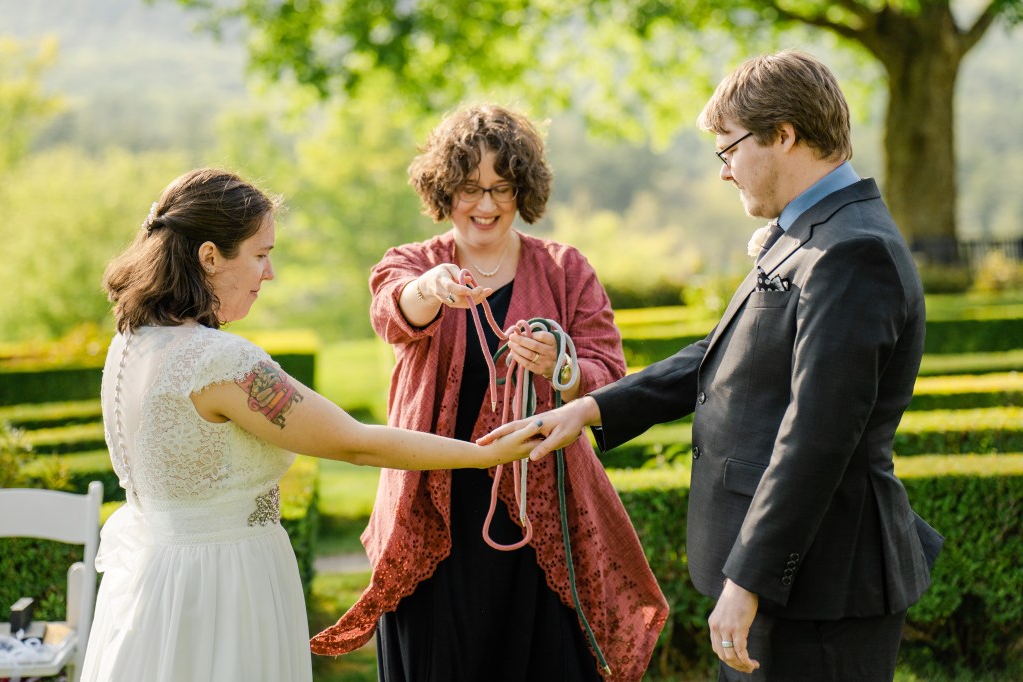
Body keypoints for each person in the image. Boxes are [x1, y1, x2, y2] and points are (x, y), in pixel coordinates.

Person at [483, 52, 943, 681]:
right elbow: (721, 354)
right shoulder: (808, 231)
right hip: (789, 580)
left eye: (728, 149)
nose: (724, 172)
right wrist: (590, 407)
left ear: (783, 134)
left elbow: (817, 437)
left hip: (817, 587)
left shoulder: (852, 249)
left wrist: (749, 580)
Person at [80, 168, 545, 682]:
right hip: (223, 587)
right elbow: (356, 443)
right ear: (209, 257)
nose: (270, 273)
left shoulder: (130, 344)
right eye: (260, 254)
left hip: (157, 583)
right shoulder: (220, 362)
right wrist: (486, 454)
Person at [310, 104, 667, 680]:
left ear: (523, 189)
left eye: (502, 188)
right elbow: (391, 313)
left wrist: (563, 367)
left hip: (539, 506)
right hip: (435, 503)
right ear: (443, 190)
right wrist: (430, 289)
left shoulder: (565, 269)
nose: (486, 205)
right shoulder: (411, 263)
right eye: (470, 188)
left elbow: (609, 373)